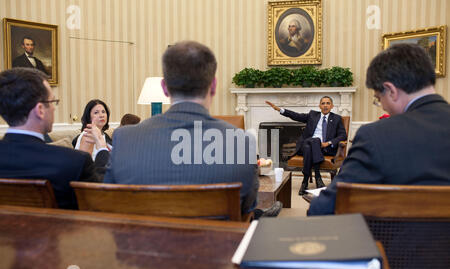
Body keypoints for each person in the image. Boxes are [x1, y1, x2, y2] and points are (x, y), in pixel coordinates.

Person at [104, 41, 281, 217]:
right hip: (219, 244)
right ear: (213, 86)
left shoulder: (124, 138)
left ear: (164, 87)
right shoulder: (242, 143)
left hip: (141, 244)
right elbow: (247, 208)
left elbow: (108, 202)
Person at [308, 43, 450, 216]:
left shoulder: (375, 137)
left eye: (378, 98)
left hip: (393, 242)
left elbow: (323, 208)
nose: (382, 107)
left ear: (391, 90)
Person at [0, 67, 109, 209]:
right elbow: (100, 199)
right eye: (52, 102)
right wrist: (102, 149)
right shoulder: (73, 162)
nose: (54, 108)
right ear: (40, 110)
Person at [266, 97, 347, 195]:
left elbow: (343, 135)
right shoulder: (313, 115)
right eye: (323, 103)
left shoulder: (337, 118)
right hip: (307, 145)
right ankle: (318, 177)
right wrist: (280, 110)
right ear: (319, 106)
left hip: (324, 148)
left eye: (328, 103)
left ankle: (305, 181)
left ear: (332, 106)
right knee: (314, 141)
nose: (325, 105)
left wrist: (328, 143)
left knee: (311, 146)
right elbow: (296, 116)